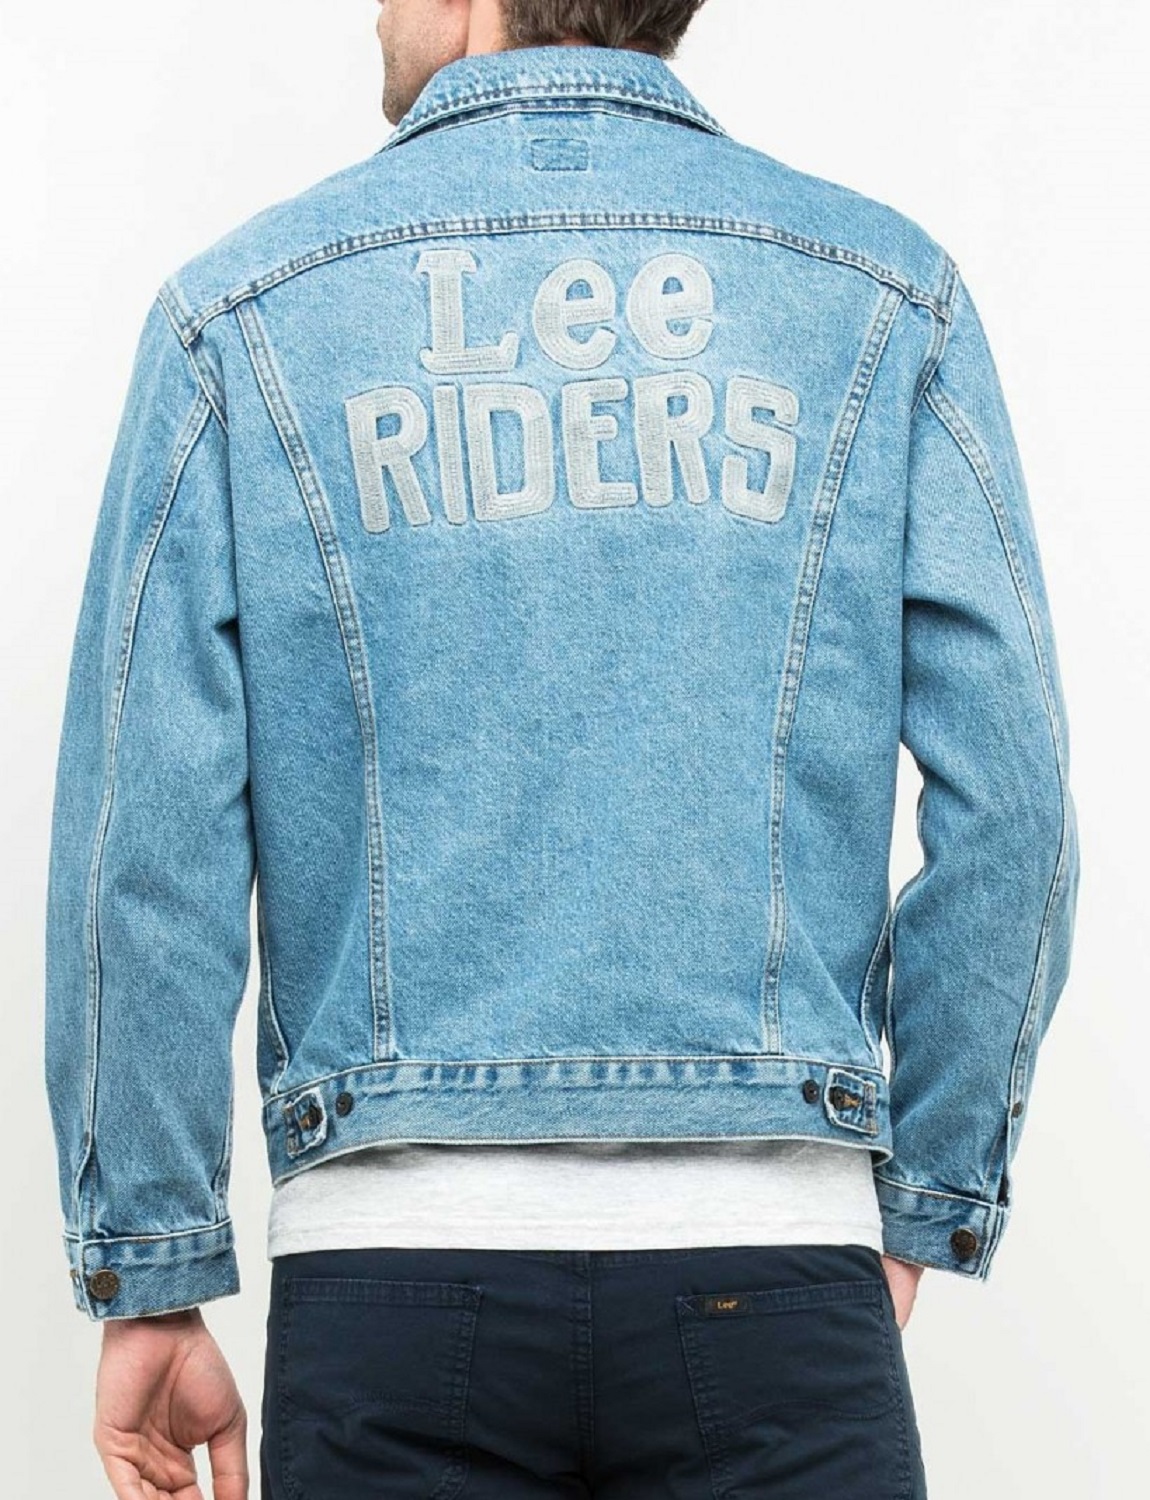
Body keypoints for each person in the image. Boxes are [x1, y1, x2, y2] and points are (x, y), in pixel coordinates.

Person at [43, 1, 1080, 1496]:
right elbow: (1016, 810)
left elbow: (139, 849)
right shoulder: (880, 293)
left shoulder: (242, 314)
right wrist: (923, 1196)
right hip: (773, 1276)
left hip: (391, 1286)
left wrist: (150, 1269)